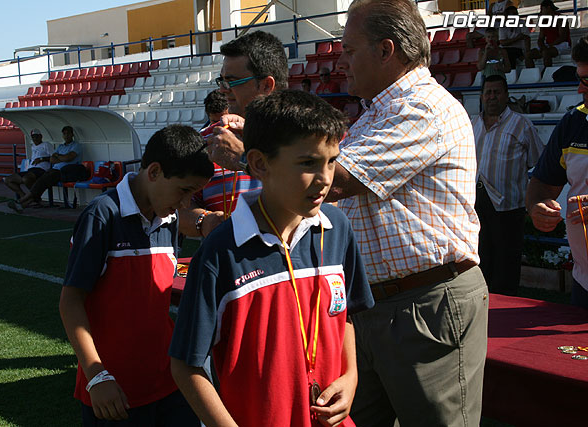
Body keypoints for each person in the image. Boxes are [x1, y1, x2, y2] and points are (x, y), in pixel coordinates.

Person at [325, 0, 488, 425]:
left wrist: (256, 154)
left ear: (385, 50)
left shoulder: (419, 108)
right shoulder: (379, 112)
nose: (341, 61)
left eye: (349, 49)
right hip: (388, 304)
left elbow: (334, 180)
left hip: (423, 304)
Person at [170, 89, 374, 427]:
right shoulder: (220, 251)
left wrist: (350, 376)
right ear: (259, 163)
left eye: (332, 160)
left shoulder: (337, 228)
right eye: (308, 163)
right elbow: (185, 364)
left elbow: (345, 316)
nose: (325, 179)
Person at [59, 125, 214, 426]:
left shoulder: (167, 217)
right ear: (154, 172)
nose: (186, 204)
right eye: (184, 191)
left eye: (193, 195)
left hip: (170, 381)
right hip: (113, 389)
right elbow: (70, 302)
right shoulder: (102, 216)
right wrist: (96, 375)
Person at [179, 30, 288, 238]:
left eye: (231, 81)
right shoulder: (211, 140)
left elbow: (318, 195)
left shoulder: (312, 139)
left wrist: (244, 158)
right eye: (221, 81)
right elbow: (179, 205)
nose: (223, 90)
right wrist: (204, 221)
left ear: (266, 85)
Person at [526, 35, 588, 309]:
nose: (579, 89)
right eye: (580, 78)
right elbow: (541, 184)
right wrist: (537, 206)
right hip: (584, 284)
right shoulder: (574, 122)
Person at [473, 75, 544, 294]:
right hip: (476, 203)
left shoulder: (522, 125)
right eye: (488, 92)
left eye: (496, 92)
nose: (492, 96)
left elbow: (538, 161)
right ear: (482, 96)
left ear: (506, 95)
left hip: (508, 205)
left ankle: (506, 310)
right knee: (479, 261)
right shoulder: (473, 123)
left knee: (506, 264)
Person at [8, 125, 85, 212]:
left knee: (41, 183)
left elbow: (68, 158)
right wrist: (61, 157)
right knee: (41, 184)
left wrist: (58, 156)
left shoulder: (76, 146)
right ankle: (23, 205)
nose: (66, 136)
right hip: (55, 171)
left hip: (66, 172)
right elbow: (52, 159)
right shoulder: (60, 147)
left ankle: (20, 201)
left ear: (72, 134)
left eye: (68, 133)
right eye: (64, 134)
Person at [3, 128, 54, 203]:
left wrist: (42, 159)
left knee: (26, 179)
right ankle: (24, 196)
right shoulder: (33, 146)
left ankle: (35, 198)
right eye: (33, 137)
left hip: (41, 170)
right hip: (31, 169)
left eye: (36, 136)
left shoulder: (46, 145)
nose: (35, 139)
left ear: (41, 136)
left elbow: (54, 158)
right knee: (7, 180)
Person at [530, 0, 572, 68]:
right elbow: (541, 38)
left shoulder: (560, 19)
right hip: (549, 45)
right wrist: (542, 46)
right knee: (529, 54)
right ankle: (532, 74)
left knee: (546, 53)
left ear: (548, 8)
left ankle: (546, 71)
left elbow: (562, 37)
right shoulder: (543, 21)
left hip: (563, 44)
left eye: (542, 9)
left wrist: (548, 46)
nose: (541, 12)